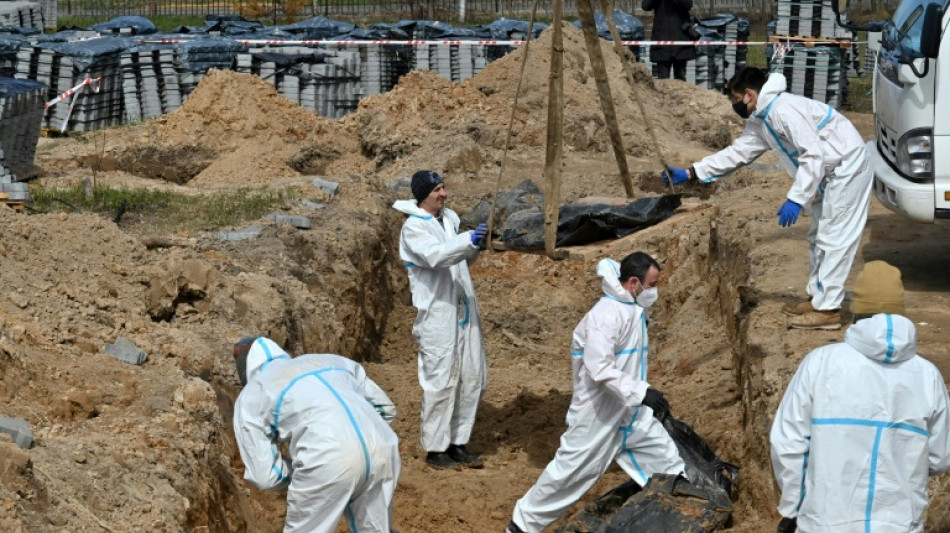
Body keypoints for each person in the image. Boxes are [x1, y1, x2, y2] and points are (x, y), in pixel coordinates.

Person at [661, 67, 873, 330]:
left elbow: (813, 154)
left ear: (749, 94)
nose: (735, 105)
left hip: (845, 168)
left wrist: (796, 198)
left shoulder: (783, 111)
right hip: (827, 173)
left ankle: (827, 310)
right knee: (819, 236)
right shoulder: (762, 119)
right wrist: (693, 172)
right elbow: (739, 153)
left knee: (835, 237)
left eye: (736, 99)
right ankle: (818, 297)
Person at [506, 252, 686, 533]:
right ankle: (521, 525)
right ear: (634, 283)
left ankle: (675, 514)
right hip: (598, 415)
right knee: (570, 475)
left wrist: (640, 397)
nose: (654, 291)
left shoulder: (632, 308)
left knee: (667, 463)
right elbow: (599, 368)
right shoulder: (606, 316)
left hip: (629, 413)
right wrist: (641, 392)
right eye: (651, 285)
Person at [769, 261, 950, 533]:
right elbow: (939, 458)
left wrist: (793, 507)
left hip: (824, 523)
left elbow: (788, 444)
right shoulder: (927, 375)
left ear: (856, 312)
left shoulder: (820, 363)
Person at [232, 336, 401, 533]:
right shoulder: (332, 361)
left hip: (325, 458)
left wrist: (299, 472)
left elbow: (265, 476)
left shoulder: (252, 394)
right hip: (382, 446)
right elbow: (385, 408)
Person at [392, 170, 489, 470]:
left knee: (473, 376)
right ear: (424, 195)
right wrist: (466, 241)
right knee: (440, 380)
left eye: (444, 188)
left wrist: (474, 246)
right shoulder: (413, 229)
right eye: (437, 190)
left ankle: (458, 442)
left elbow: (459, 258)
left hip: (463, 308)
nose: (443, 194)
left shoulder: (449, 220)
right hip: (438, 315)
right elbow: (436, 256)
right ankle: (436, 449)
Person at [642, 0, 698, 80]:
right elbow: (646, 6)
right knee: (663, 80)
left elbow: (688, 4)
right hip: (661, 43)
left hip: (680, 42)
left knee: (680, 80)